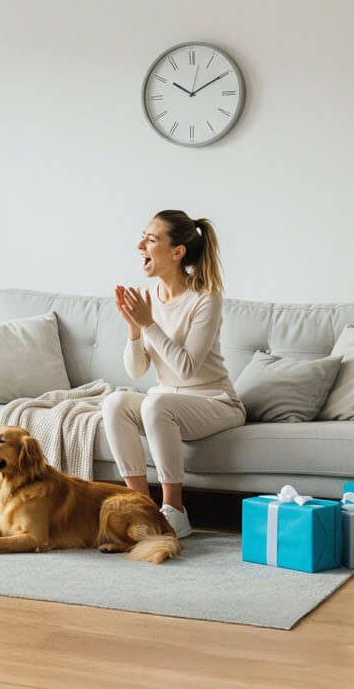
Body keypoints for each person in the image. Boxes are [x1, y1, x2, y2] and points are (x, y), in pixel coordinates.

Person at [101, 210, 245, 538]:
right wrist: (134, 330)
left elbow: (185, 368)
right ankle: (141, 509)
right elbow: (137, 370)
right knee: (114, 403)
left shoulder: (206, 298)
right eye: (143, 237)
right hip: (167, 402)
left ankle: (174, 512)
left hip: (216, 402)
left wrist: (148, 323)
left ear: (177, 252)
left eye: (151, 240)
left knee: (156, 404)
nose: (140, 245)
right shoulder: (149, 298)